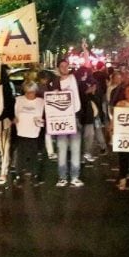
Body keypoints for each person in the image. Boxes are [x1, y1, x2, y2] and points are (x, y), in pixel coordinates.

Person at [47, 59, 84, 187]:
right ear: (58, 68)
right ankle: (62, 177)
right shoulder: (54, 83)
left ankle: (74, 177)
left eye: (66, 66)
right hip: (61, 120)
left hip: (74, 117)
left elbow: (86, 66)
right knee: (61, 149)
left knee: (75, 149)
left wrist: (85, 50)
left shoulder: (74, 78)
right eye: (61, 66)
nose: (64, 68)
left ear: (69, 67)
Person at [13, 81, 45, 186]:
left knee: (33, 154)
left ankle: (34, 174)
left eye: (31, 92)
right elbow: (12, 113)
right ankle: (19, 175)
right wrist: (13, 119)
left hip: (34, 132)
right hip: (21, 131)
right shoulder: (18, 100)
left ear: (35, 91)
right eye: (26, 92)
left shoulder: (41, 101)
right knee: (20, 154)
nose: (29, 94)